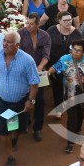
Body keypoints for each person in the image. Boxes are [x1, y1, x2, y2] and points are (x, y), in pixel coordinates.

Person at [0, 30, 39, 166]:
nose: (5, 44)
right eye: (4, 41)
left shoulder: (27, 60)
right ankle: (11, 156)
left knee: (19, 128)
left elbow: (34, 82)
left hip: (20, 102)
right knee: (3, 131)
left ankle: (14, 137)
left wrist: (31, 101)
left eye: (9, 42)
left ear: (17, 45)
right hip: (2, 101)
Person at [47, 39, 84, 154]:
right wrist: (48, 72)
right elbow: (54, 67)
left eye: (78, 50)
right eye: (74, 49)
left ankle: (77, 130)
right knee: (72, 116)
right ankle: (70, 142)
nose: (75, 52)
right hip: (70, 94)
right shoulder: (65, 59)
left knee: (81, 113)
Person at [18, 13, 50, 142]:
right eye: (27, 23)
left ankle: (38, 129)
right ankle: (25, 123)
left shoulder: (45, 36)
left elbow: (46, 55)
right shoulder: (20, 34)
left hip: (38, 72)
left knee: (40, 100)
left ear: (38, 24)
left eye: (31, 24)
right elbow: (17, 53)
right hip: (23, 72)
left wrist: (40, 66)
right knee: (24, 98)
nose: (28, 26)